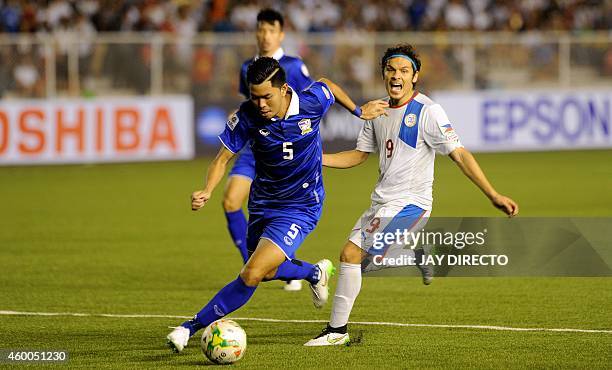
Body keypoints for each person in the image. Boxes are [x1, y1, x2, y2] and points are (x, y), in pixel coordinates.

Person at [166, 57, 388, 353]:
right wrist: (207, 189)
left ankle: (188, 328)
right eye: (254, 97)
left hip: (301, 206)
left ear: (284, 90)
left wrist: (359, 111)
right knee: (267, 272)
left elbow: (328, 86)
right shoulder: (246, 116)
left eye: (266, 96)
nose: (259, 104)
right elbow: (222, 158)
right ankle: (314, 273)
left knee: (251, 273)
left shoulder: (310, 103)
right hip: (262, 205)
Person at [304, 44, 519, 346]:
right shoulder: (376, 110)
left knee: (350, 255)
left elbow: (459, 154)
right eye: (391, 70)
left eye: (404, 71)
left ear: (415, 77)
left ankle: (337, 332)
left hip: (411, 203)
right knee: (356, 264)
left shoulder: (428, 111)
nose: (396, 75)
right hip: (382, 201)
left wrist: (492, 194)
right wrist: (318, 159)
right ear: (383, 74)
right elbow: (359, 155)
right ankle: (418, 254)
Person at [225, 8, 313, 292]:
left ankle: (285, 268)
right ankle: (252, 265)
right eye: (261, 29)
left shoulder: (294, 66)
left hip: (283, 151)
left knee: (280, 209)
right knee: (230, 201)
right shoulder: (246, 68)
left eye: (271, 30)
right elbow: (250, 106)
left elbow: (306, 108)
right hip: (254, 148)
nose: (265, 35)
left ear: (281, 34)